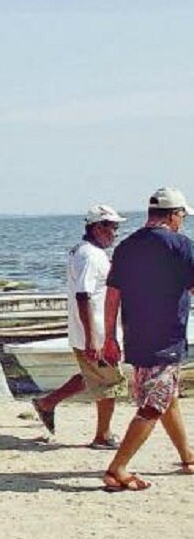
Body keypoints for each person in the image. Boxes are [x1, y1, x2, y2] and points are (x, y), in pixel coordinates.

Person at [101, 187, 194, 491]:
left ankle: (188, 456)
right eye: (182, 215)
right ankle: (118, 469)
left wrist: (110, 337)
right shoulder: (181, 246)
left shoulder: (126, 247)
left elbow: (113, 295)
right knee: (154, 405)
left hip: (136, 337)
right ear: (173, 215)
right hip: (165, 339)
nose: (183, 220)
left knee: (168, 399)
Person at [31, 205, 128, 447]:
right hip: (95, 332)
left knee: (93, 376)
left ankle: (47, 403)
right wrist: (93, 338)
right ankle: (103, 436)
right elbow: (83, 295)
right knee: (109, 382)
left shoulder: (84, 251)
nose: (115, 233)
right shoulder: (90, 256)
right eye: (112, 227)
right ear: (97, 227)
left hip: (90, 331)